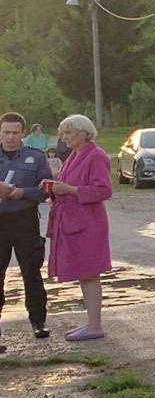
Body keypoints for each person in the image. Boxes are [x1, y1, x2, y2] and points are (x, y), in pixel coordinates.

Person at [42, 114, 113, 342]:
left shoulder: (96, 156)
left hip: (88, 224)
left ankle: (95, 326)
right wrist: (53, 187)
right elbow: (69, 185)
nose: (64, 137)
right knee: (84, 273)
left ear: (84, 133)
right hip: (74, 222)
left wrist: (70, 190)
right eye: (63, 133)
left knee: (90, 273)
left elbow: (104, 191)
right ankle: (91, 323)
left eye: (68, 132)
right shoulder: (75, 155)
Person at [0, 112, 53, 345]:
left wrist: (24, 192)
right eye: (6, 132)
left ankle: (38, 321)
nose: (10, 137)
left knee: (31, 272)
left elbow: (46, 189)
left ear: (23, 133)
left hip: (25, 219)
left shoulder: (36, 157)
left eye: (15, 132)